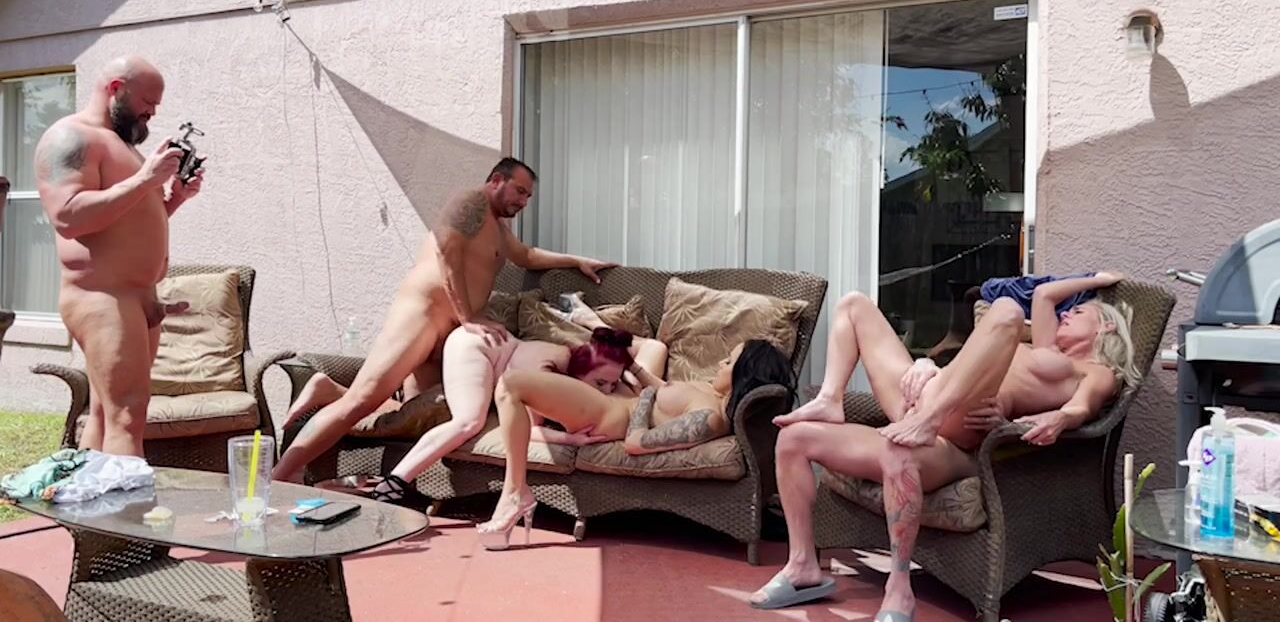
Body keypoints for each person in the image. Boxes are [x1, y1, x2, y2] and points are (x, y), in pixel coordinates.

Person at [751, 273, 1138, 619]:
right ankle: (803, 562)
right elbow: (1044, 296)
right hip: (920, 402)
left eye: (1079, 312)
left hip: (948, 438)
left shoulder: (1097, 372)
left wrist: (1048, 420)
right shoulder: (1045, 347)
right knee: (799, 423)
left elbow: (1081, 408)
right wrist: (1094, 279)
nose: (1066, 314)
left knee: (1005, 311)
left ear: (1105, 326)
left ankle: (899, 589)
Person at [272, 158, 616, 482]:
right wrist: (468, 316)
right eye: (520, 191)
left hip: (451, 331)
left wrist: (576, 260)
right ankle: (277, 478)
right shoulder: (470, 203)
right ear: (497, 180)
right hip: (423, 315)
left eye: (528, 196)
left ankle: (329, 389)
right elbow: (446, 250)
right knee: (361, 400)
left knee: (418, 414)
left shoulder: (498, 228)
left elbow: (526, 256)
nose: (524, 201)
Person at [282, 323, 668, 504]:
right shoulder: (547, 368)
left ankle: (330, 389)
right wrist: (569, 438)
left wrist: (627, 368)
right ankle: (394, 483)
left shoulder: (579, 367)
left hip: (489, 359)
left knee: (415, 413)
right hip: (476, 348)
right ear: (582, 365)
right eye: (600, 383)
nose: (603, 393)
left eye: (609, 387)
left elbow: (647, 369)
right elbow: (526, 431)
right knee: (468, 422)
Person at [476, 338, 796, 551]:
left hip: (606, 413)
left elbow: (636, 442)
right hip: (618, 399)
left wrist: (644, 398)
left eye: (729, 361)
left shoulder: (709, 419)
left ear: (743, 374)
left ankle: (515, 494)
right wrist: (633, 368)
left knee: (511, 385)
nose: (721, 362)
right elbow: (664, 393)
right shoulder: (711, 393)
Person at [34, 56, 202, 458]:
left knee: (105, 414)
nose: (152, 112)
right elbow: (68, 216)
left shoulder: (123, 147)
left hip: (139, 298)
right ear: (115, 89)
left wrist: (174, 199)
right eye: (147, 101)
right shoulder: (71, 137)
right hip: (101, 296)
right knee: (128, 414)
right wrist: (145, 179)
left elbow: (123, 224)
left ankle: (87, 496)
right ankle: (129, 499)